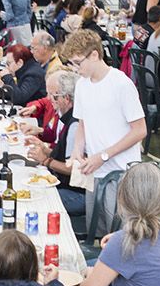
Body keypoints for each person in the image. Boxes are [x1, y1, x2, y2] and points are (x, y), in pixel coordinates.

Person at [58, 30, 148, 191]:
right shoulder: (81, 85)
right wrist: (77, 150)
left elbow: (140, 130)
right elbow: (82, 124)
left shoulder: (121, 84)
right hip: (95, 169)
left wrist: (103, 156)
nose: (75, 69)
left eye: (78, 63)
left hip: (122, 171)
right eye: (72, 64)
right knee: (95, 216)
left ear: (94, 55)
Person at [25, 70, 86, 220]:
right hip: (69, 187)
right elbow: (61, 147)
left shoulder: (75, 124)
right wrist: (45, 149)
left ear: (66, 98)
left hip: (77, 194)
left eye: (53, 96)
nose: (49, 99)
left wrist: (45, 160)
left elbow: (73, 169)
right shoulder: (67, 117)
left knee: (37, 199)